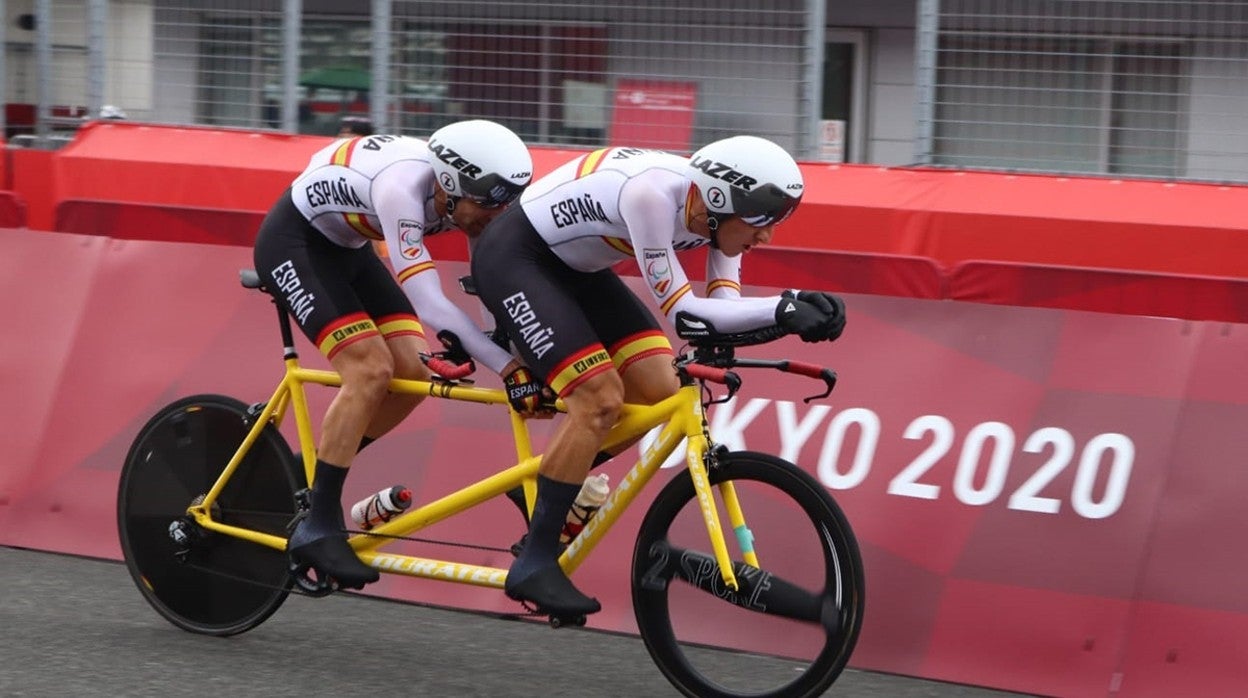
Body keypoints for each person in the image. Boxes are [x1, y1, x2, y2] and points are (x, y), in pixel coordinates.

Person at [470, 136, 846, 616]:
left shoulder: (714, 217)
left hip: (578, 271)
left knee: (660, 393)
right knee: (600, 398)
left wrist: (793, 310)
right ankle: (536, 563)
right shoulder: (651, 195)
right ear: (717, 200)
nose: (766, 236)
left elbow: (724, 309)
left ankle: (547, 482)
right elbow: (686, 316)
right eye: (758, 222)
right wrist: (782, 308)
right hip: (515, 261)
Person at [253, 119, 546, 590]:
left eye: (507, 203)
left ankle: (308, 473)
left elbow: (489, 275)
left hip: (348, 246)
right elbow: (431, 303)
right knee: (370, 370)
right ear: (450, 186)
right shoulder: (401, 189)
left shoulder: (465, 202)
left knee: (412, 371)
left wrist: (514, 342)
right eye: (490, 204)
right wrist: (508, 368)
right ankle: (319, 523)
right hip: (295, 243)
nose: (498, 214)